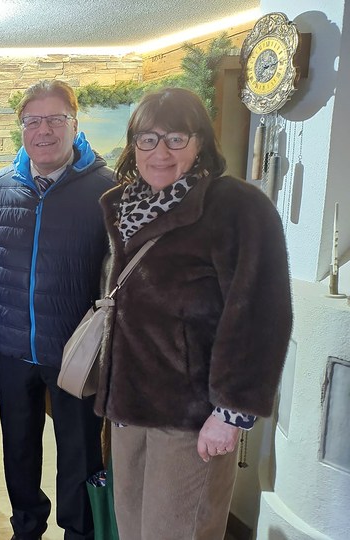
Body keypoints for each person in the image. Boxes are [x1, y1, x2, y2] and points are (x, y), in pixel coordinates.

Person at [95, 88, 292, 539]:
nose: (160, 152)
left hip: (193, 416)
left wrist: (232, 412)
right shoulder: (125, 205)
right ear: (134, 145)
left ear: (200, 142)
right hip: (129, 408)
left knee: (179, 531)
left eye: (176, 138)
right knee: (133, 530)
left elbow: (261, 315)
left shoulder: (237, 208)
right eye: (147, 139)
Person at [0, 80, 113, 540]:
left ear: (75, 124)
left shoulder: (107, 189)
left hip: (77, 350)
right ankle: (26, 526)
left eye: (55, 119)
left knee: (79, 451)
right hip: (11, 347)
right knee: (19, 448)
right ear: (22, 128)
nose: (44, 130)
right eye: (33, 121)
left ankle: (79, 531)